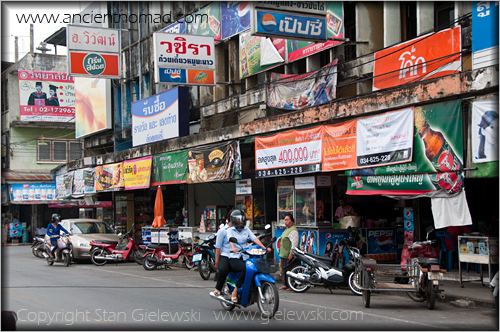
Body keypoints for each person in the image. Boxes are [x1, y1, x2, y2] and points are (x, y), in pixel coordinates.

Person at [227, 210, 269, 302]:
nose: (240, 221)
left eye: (241, 219)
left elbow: (254, 239)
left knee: (254, 266)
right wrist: (233, 248)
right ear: (233, 220)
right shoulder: (230, 230)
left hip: (245, 255)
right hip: (234, 256)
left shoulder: (246, 229)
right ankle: (235, 290)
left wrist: (264, 247)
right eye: (237, 220)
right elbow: (231, 240)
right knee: (245, 268)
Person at [211, 211, 233, 298]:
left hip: (239, 254)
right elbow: (218, 247)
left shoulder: (242, 230)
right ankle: (218, 288)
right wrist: (217, 262)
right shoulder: (222, 231)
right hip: (225, 255)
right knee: (224, 269)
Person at [277, 213, 299, 291]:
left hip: (289, 254)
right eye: (285, 220)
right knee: (284, 270)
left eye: (287, 220)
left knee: (290, 270)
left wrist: (291, 253)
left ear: (292, 221)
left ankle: (291, 285)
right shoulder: (286, 229)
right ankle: (285, 284)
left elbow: (294, 243)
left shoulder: (293, 230)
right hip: (283, 254)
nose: (286, 222)